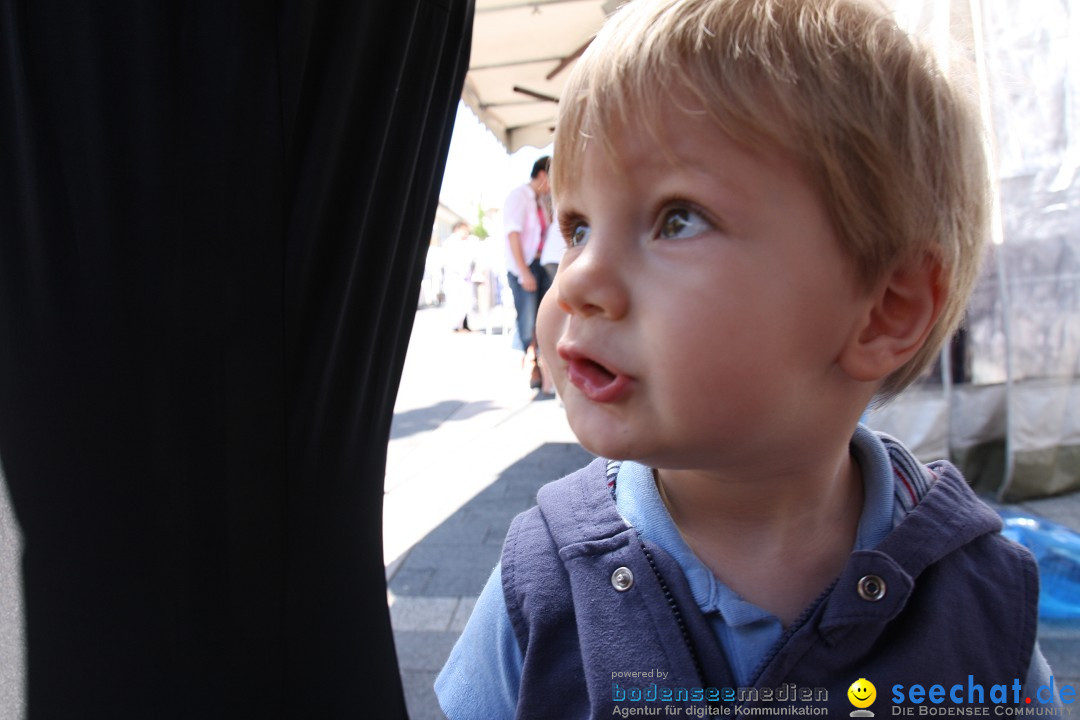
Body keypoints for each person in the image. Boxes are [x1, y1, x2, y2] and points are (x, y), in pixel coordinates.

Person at [435, 0, 1057, 717]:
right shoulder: (543, 577)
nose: (574, 279)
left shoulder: (979, 604)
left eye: (678, 218)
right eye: (577, 227)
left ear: (885, 309)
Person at [502, 156, 555, 394]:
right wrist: (524, 271)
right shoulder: (519, 196)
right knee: (527, 321)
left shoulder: (542, 201)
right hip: (524, 266)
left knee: (542, 317)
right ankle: (532, 366)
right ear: (543, 175)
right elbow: (513, 234)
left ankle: (543, 371)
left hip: (541, 264)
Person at [443, 221, 478, 331]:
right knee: (456, 303)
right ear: (457, 230)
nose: (466, 232)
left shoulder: (468, 243)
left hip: (466, 278)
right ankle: (455, 326)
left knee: (467, 302)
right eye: (464, 230)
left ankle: (464, 324)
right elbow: (449, 261)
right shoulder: (450, 243)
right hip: (455, 278)